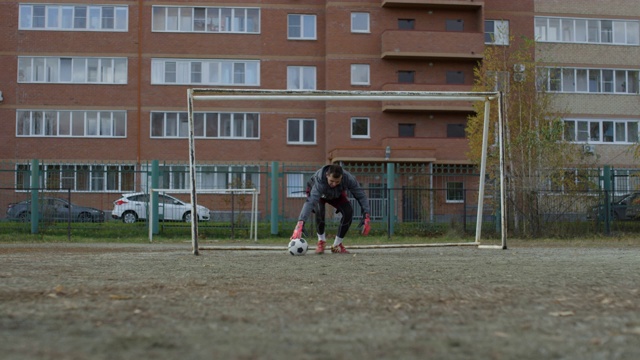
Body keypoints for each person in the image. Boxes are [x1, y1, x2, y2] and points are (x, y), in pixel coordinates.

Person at [290, 164, 371, 254]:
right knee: (320, 212)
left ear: (342, 177)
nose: (334, 184)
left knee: (348, 211)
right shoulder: (319, 180)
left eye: (337, 181)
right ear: (327, 175)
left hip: (337, 194)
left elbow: (361, 195)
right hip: (319, 195)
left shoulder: (348, 178)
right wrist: (300, 223)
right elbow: (311, 201)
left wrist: (366, 214)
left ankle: (337, 245)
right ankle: (321, 241)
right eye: (332, 181)